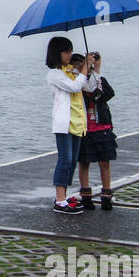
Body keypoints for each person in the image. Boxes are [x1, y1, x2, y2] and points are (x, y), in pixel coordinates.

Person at [44, 36, 91, 214]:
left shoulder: (71, 71)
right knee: (64, 159)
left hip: (78, 122)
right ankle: (60, 199)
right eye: (67, 51)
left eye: (71, 50)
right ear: (58, 53)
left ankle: (64, 194)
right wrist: (85, 67)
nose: (70, 54)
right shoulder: (55, 74)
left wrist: (91, 68)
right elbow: (74, 87)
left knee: (72, 161)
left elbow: (89, 86)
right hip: (64, 123)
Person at [77, 50, 117, 210]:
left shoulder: (98, 79)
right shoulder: (77, 83)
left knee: (104, 161)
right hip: (84, 127)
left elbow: (107, 94)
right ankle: (85, 195)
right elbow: (80, 91)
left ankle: (106, 195)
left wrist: (97, 69)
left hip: (102, 126)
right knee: (84, 162)